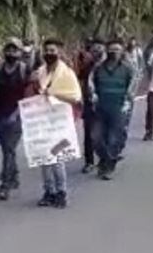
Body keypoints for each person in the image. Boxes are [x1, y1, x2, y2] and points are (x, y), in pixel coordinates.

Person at [32, 39, 82, 207]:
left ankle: (62, 192)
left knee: (57, 157)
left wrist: (52, 93)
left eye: (52, 50)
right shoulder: (40, 72)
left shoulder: (67, 73)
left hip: (60, 122)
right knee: (44, 158)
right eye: (46, 50)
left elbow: (75, 97)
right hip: (43, 120)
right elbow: (35, 93)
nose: (49, 53)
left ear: (59, 52)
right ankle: (49, 192)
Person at [0, 40, 32, 201]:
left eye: (15, 50)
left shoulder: (24, 69)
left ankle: (5, 185)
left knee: (9, 149)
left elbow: (29, 93)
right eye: (8, 49)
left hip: (18, 114)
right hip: (0, 113)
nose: (11, 53)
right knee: (5, 148)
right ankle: (14, 177)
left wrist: (17, 113)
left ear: (20, 53)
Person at [87, 40, 136, 180]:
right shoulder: (98, 68)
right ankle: (107, 158)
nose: (113, 52)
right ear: (107, 51)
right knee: (95, 137)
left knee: (113, 139)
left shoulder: (128, 68)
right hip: (100, 107)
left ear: (122, 52)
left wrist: (128, 101)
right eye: (111, 49)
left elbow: (133, 85)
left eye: (117, 49)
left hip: (119, 107)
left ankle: (107, 167)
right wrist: (93, 94)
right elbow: (91, 83)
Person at [77, 39, 105, 173]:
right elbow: (80, 80)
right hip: (89, 104)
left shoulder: (108, 66)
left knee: (102, 133)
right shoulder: (87, 66)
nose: (96, 51)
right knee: (88, 134)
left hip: (105, 104)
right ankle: (89, 162)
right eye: (94, 49)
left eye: (99, 48)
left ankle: (103, 160)